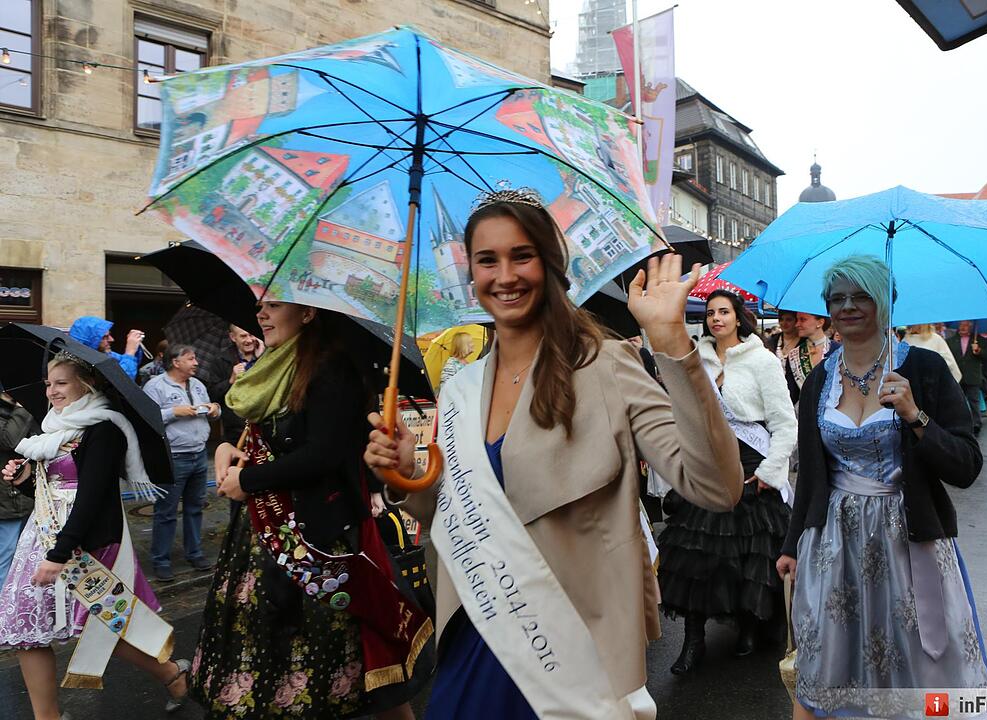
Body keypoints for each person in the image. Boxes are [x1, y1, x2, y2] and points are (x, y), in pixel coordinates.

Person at [364, 190, 744, 719]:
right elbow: (448, 515)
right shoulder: (460, 387)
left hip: (573, 649)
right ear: (471, 272)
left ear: (551, 262)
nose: (505, 276)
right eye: (487, 260)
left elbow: (717, 487)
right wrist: (408, 474)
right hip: (476, 634)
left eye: (522, 255)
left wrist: (671, 341)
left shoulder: (605, 365)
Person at [776, 255, 987, 719]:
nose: (848, 306)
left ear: (885, 301)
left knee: (915, 662)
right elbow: (812, 473)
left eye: (860, 296)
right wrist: (792, 544)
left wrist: (916, 416)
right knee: (837, 659)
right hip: (835, 545)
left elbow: (967, 465)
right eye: (837, 298)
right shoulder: (820, 380)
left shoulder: (927, 369)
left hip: (907, 543)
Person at [196, 302, 432, 720]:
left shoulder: (331, 368)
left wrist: (248, 481)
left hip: (319, 537)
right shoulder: (272, 366)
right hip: (264, 534)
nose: (262, 316)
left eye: (274, 307)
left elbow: (322, 455)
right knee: (274, 664)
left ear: (307, 313)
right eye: (258, 307)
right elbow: (262, 440)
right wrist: (226, 449)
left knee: (355, 670)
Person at [0, 354, 191, 718]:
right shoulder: (52, 429)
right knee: (25, 626)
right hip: (41, 535)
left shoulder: (104, 430)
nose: (51, 391)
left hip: (85, 543)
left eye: (61, 382)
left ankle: (171, 672)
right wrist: (24, 479)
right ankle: (48, 717)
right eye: (48, 383)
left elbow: (90, 497)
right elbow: (48, 489)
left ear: (85, 385)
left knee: (105, 626)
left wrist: (59, 554)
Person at [658, 289, 797, 674]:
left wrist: (771, 471)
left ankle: (748, 627)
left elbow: (785, 422)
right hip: (706, 463)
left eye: (724, 312)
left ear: (739, 317)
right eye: (711, 313)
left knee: (746, 554)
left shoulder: (762, 361)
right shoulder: (694, 359)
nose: (716, 318)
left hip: (750, 461)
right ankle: (693, 641)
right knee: (696, 554)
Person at [143, 344, 219, 581]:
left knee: (195, 508)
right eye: (191, 359)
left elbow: (210, 410)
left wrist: (215, 409)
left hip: (199, 455)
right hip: (173, 457)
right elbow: (147, 418)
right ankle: (161, 560)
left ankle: (194, 553)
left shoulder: (198, 385)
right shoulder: (155, 386)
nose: (196, 362)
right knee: (165, 512)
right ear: (175, 362)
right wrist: (174, 412)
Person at [0, 392, 38, 587]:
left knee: (23, 555)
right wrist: (22, 407)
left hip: (23, 495)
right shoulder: (17, 408)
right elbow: (10, 439)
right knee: (6, 559)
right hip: (7, 502)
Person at [206, 325, 264, 447]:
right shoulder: (220, 360)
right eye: (243, 336)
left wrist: (262, 359)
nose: (249, 340)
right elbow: (212, 395)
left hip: (264, 424)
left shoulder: (267, 354)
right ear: (233, 337)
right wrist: (230, 380)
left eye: (251, 334)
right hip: (236, 430)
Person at [68, 316, 144, 381]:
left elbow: (124, 360)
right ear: (91, 341)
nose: (111, 339)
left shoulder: (102, 354)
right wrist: (130, 352)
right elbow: (122, 381)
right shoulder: (80, 365)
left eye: (109, 335)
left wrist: (135, 347)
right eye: (105, 337)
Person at [946, 321, 985, 435]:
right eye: (961, 325)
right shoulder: (950, 341)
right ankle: (959, 423)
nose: (963, 328)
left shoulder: (978, 340)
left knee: (974, 401)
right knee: (957, 401)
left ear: (970, 327)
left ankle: (976, 424)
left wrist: (978, 351)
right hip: (957, 377)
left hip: (972, 376)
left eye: (966, 326)